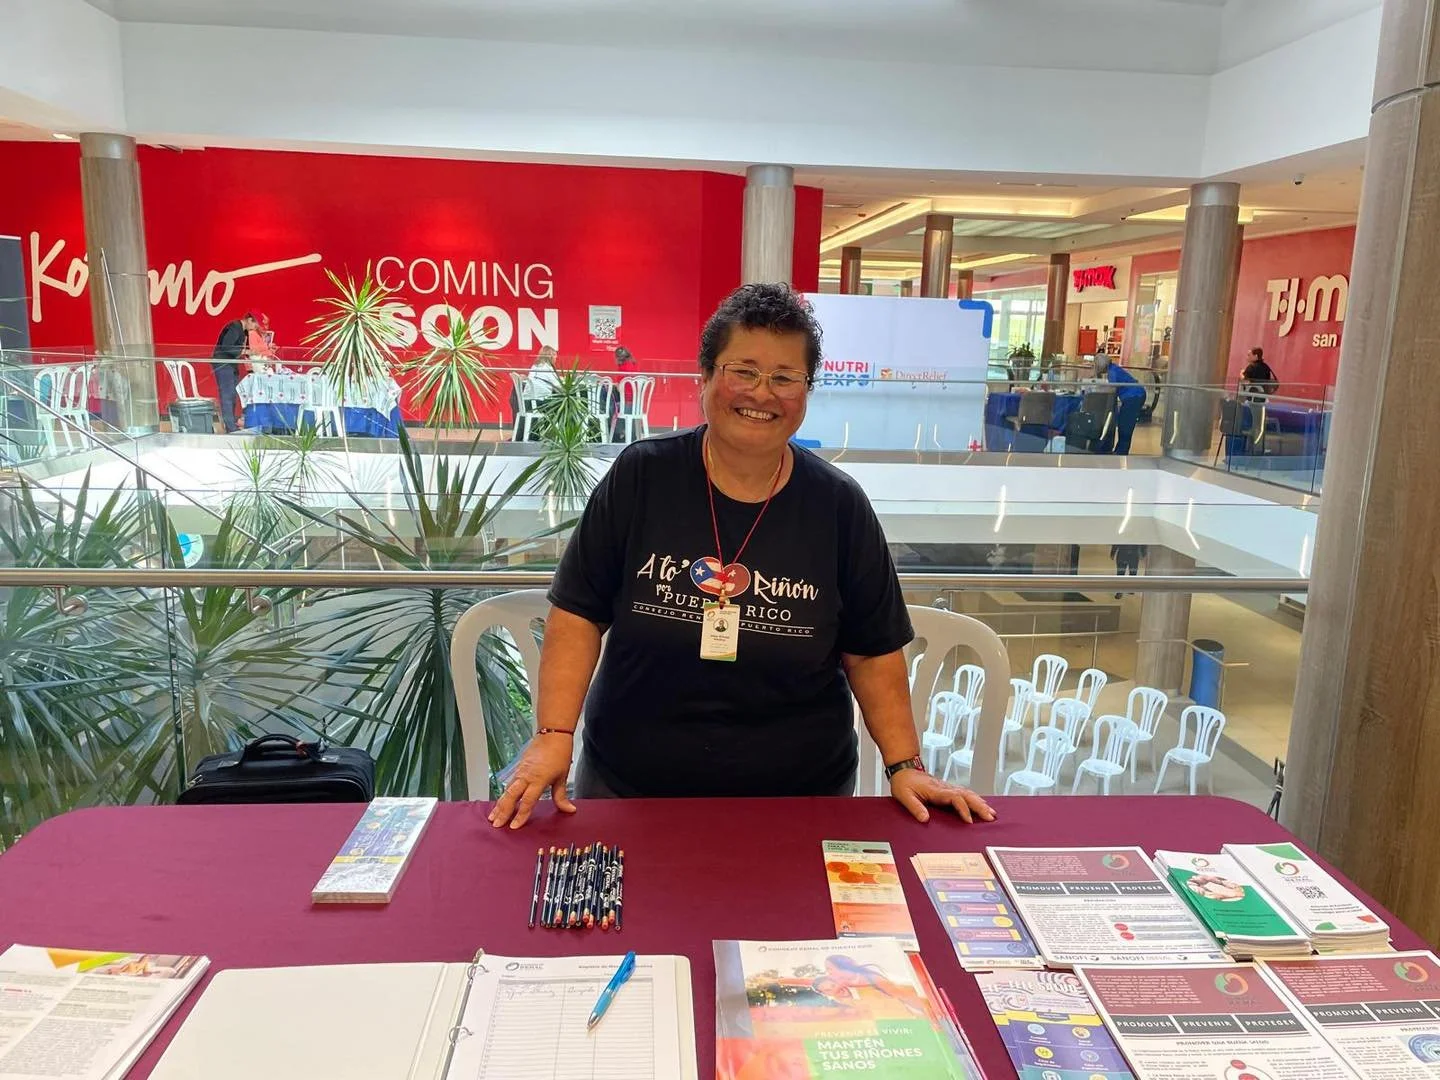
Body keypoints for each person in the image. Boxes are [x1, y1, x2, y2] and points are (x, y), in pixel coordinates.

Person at [488, 283, 995, 830]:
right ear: (705, 377)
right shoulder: (642, 477)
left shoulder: (838, 506)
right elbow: (579, 613)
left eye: (785, 377)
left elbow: (871, 653)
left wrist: (905, 765)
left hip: (799, 800)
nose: (762, 393)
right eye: (744, 371)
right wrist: (554, 735)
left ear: (807, 391)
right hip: (632, 789)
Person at [211, 311, 260, 432]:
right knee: (227, 395)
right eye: (254, 325)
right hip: (223, 363)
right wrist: (245, 352)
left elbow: (246, 349)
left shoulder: (244, 332)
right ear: (249, 320)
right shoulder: (234, 327)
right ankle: (230, 427)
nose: (254, 328)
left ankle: (231, 423)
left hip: (232, 364)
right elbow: (226, 347)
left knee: (232, 395)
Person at [1093, 355, 1146, 455]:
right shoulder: (1114, 369)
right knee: (1124, 423)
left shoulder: (1112, 372)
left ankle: (1121, 452)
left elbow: (1111, 389)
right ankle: (1120, 450)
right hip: (1135, 395)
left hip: (1134, 397)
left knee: (1125, 424)